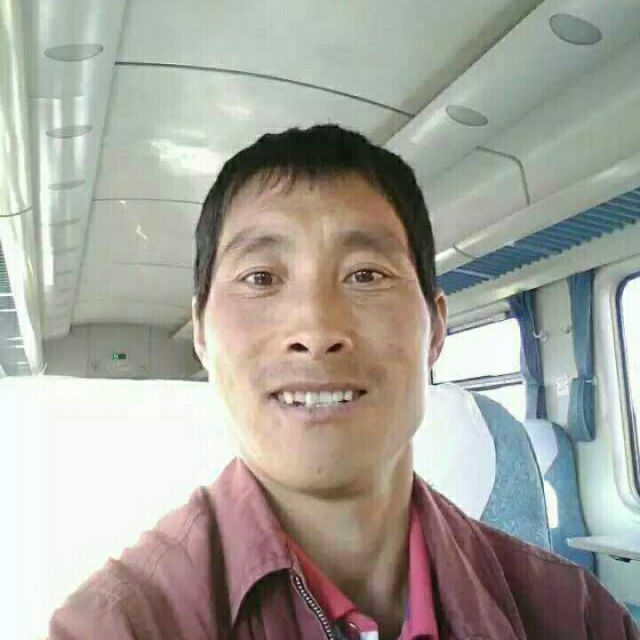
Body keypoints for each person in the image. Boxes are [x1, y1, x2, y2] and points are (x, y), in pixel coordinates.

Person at [49, 125, 638, 640]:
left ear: (435, 328)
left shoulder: (574, 614)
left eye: (366, 274)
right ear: (202, 334)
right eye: (261, 277)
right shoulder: (120, 625)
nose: (316, 330)